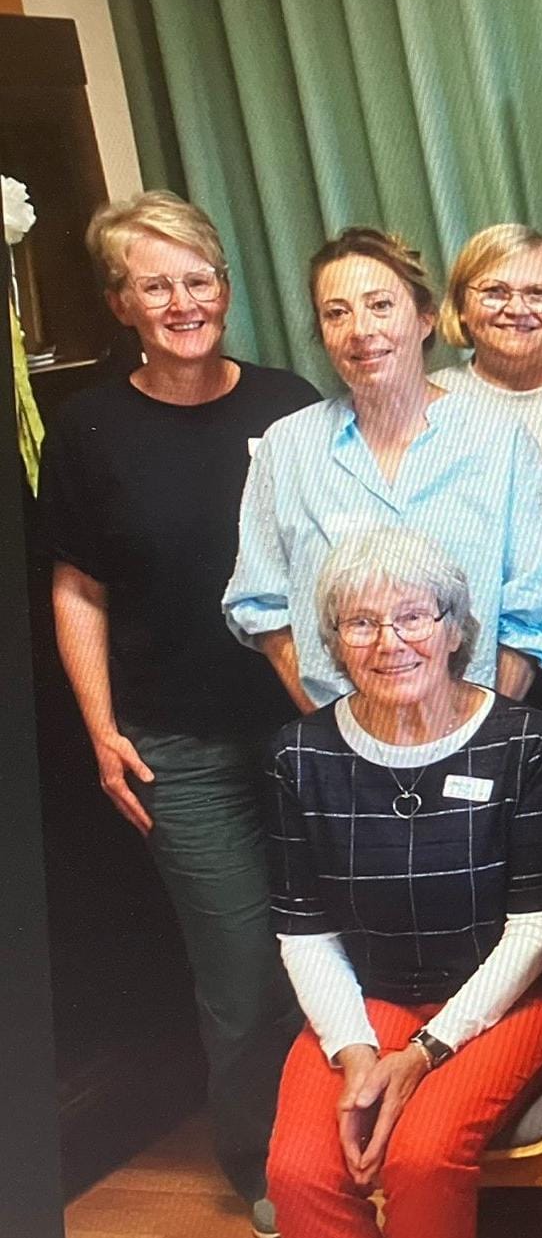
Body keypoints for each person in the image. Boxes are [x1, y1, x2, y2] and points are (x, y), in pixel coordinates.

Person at [43, 191, 318, 1238]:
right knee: (241, 969)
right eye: (154, 285)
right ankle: (266, 1164)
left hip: (307, 729)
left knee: (340, 944)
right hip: (178, 748)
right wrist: (101, 729)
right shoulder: (90, 428)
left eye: (198, 279)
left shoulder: (288, 405)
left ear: (227, 288)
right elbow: (79, 587)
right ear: (122, 304)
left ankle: (344, 1147)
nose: (182, 302)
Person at [262, 528, 542, 1238]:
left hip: (514, 996)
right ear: (334, 641)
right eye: (361, 622)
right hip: (371, 999)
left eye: (413, 616)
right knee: (300, 1171)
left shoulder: (525, 741)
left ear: (454, 628)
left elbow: (539, 925)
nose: (390, 642)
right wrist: (355, 1052)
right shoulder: (299, 754)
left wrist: (425, 1051)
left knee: (422, 1158)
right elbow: (305, 931)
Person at [223, 228, 542, 711]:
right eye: (337, 313)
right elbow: (264, 608)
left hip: (477, 730)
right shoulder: (288, 448)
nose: (361, 329)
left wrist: (480, 732)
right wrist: (333, 729)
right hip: (340, 736)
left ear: (425, 318)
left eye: (380, 305)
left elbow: (530, 619)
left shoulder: (499, 442)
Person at [432, 223, 542, 500]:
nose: (516, 309)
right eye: (494, 291)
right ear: (461, 305)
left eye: (538, 293)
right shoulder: (429, 400)